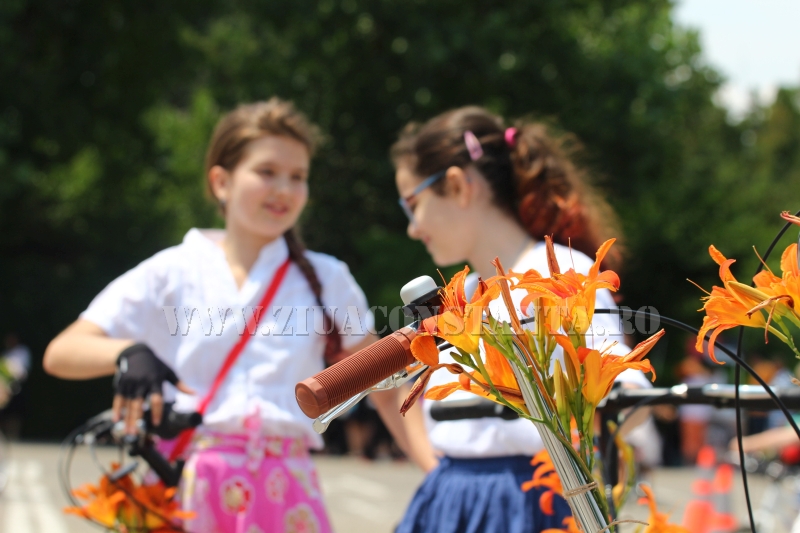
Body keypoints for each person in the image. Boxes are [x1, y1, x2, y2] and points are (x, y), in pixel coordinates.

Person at [43, 99, 412, 533]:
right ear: (221, 181)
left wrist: (439, 465)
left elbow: (383, 385)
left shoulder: (328, 278)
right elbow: (62, 352)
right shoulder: (172, 270)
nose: (285, 189)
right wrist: (129, 351)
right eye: (267, 172)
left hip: (286, 490)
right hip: (186, 487)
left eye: (298, 177)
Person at [390, 106, 653, 533]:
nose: (412, 229)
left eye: (412, 205)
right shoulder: (463, 293)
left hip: (531, 500)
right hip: (449, 498)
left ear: (457, 185)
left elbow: (626, 393)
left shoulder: (560, 270)